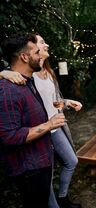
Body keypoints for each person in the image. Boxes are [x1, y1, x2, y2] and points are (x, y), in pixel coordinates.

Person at [1, 34, 82, 208]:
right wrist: (2, 73)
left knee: (61, 168)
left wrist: (65, 103)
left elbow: (52, 99)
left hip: (41, 152)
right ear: (25, 56)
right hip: (30, 165)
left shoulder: (29, 80)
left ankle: (61, 200)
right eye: (38, 50)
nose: (42, 52)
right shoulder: (10, 86)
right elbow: (9, 136)